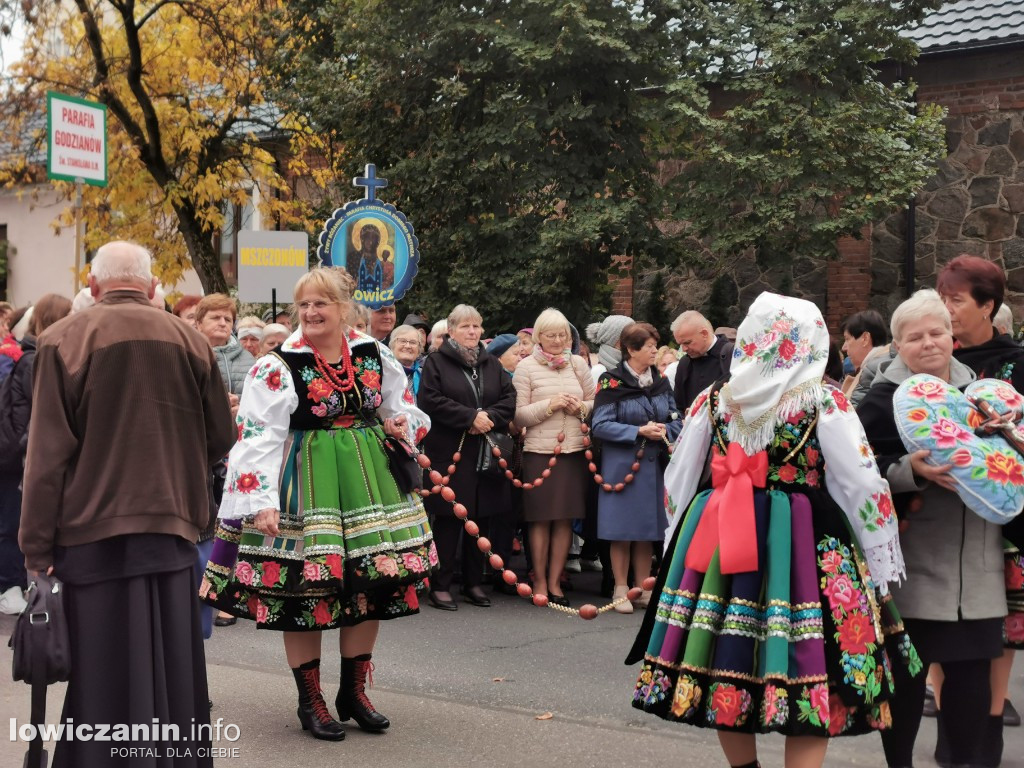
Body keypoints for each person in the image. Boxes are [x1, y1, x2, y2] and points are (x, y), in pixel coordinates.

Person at [628, 292, 912, 768]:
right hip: (803, 535)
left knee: (724, 655)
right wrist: (877, 550)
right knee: (814, 661)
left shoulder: (714, 398)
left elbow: (678, 476)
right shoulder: (824, 400)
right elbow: (861, 481)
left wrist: (677, 539)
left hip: (721, 527)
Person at [19, 241, 236, 767]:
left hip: (91, 530)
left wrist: (35, 546)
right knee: (174, 662)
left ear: (94, 287)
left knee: (104, 667)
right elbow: (221, 436)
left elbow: (46, 456)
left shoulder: (61, 339)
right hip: (173, 527)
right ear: (150, 285)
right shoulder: (190, 339)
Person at [201, 267, 435, 741]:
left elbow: (402, 407)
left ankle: (354, 692)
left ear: (344, 307)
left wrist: (399, 427)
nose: (309, 313)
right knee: (303, 593)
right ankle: (311, 701)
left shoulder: (374, 352)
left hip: (370, 484)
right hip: (305, 484)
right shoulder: (278, 365)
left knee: (370, 583)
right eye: (303, 305)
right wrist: (261, 501)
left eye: (320, 304)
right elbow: (256, 437)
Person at [857, 288, 1006, 768]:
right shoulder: (881, 401)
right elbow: (853, 475)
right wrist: (910, 471)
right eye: (914, 336)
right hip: (912, 565)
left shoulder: (983, 397)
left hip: (978, 563)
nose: (929, 343)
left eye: (937, 332)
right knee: (904, 681)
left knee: (971, 680)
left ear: (952, 337)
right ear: (896, 346)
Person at [935, 255, 1024, 761]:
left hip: (1003, 515)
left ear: (988, 306)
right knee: (943, 622)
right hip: (943, 516)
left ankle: (990, 721)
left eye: (957, 300)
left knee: (998, 626)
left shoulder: (1015, 362)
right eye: (942, 298)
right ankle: (951, 727)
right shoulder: (935, 361)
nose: (945, 311)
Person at [418, 305, 516, 609]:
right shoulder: (436, 362)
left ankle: (473, 582)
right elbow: (430, 400)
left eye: (476, 326)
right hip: (450, 450)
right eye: (465, 327)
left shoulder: (492, 364)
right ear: (451, 330)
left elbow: (509, 398)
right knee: (449, 519)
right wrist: (469, 417)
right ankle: (442, 583)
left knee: (481, 519)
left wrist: (487, 417)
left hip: (485, 450)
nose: (472, 332)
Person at [592, 323, 682, 614]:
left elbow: (677, 419)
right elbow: (600, 425)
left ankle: (642, 587)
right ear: (631, 350)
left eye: (656, 345)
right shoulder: (611, 382)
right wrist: (638, 431)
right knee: (621, 529)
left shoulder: (661, 381)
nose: (655, 350)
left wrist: (664, 428)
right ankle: (620, 587)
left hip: (655, 466)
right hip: (622, 465)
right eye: (649, 346)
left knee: (647, 529)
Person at [513, 308, 594, 606]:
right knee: (539, 520)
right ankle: (540, 582)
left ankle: (556, 581)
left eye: (564, 335)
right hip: (539, 452)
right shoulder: (526, 368)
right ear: (539, 337)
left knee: (564, 519)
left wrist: (580, 409)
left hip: (573, 451)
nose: (559, 340)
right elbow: (518, 415)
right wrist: (550, 405)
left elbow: (594, 401)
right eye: (551, 335)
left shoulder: (578, 364)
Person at [0, 294, 73, 615]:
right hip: (20, 457)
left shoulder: (32, 355)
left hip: (19, 453)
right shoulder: (35, 359)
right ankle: (9, 586)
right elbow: (41, 412)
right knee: (14, 522)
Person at [671, 310, 735, 412]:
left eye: (687, 343)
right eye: (680, 344)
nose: (683, 349)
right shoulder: (684, 363)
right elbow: (678, 406)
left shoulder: (733, 355)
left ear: (704, 334)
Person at [196, 293, 255, 396]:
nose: (223, 323)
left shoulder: (248, 358)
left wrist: (240, 407)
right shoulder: (189, 354)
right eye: (215, 318)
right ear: (199, 324)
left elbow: (257, 398)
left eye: (227, 319)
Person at [839, 309, 890, 404]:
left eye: (847, 339)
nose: (843, 348)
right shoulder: (879, 367)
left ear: (865, 339)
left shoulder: (874, 372)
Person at [585, 314, 634, 386]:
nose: (634, 340)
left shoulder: (635, 367)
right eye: (628, 336)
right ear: (613, 339)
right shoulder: (599, 371)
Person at [348, 222, 395, 292]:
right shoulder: (353, 257)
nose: (370, 242)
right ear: (362, 239)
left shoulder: (382, 262)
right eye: (367, 238)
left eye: (374, 238)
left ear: (378, 242)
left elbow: (389, 282)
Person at [389, 323, 424, 397]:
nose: (408, 346)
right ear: (392, 345)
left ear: (419, 349)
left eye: (413, 342)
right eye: (402, 341)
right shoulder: (385, 371)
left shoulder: (424, 375)